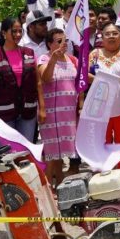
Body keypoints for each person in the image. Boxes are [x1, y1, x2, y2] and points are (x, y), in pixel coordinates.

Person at [87, 23, 120, 178]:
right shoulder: (94, 54)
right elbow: (86, 75)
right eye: (107, 34)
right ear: (101, 37)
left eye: (115, 33)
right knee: (103, 142)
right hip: (100, 108)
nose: (111, 36)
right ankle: (105, 177)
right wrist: (102, 81)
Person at [0, 18, 39, 142]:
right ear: (4, 33)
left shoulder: (29, 53)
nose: (18, 34)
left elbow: (38, 82)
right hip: (3, 113)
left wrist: (42, 109)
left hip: (27, 111)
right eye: (14, 31)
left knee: (25, 150)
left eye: (20, 31)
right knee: (6, 150)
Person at [37, 28, 80, 186]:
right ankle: (48, 187)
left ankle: (60, 182)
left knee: (60, 152)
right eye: (59, 41)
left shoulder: (72, 59)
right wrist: (53, 59)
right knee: (51, 152)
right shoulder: (44, 58)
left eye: (65, 41)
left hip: (68, 113)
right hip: (51, 113)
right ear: (50, 44)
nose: (64, 44)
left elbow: (80, 81)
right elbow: (45, 78)